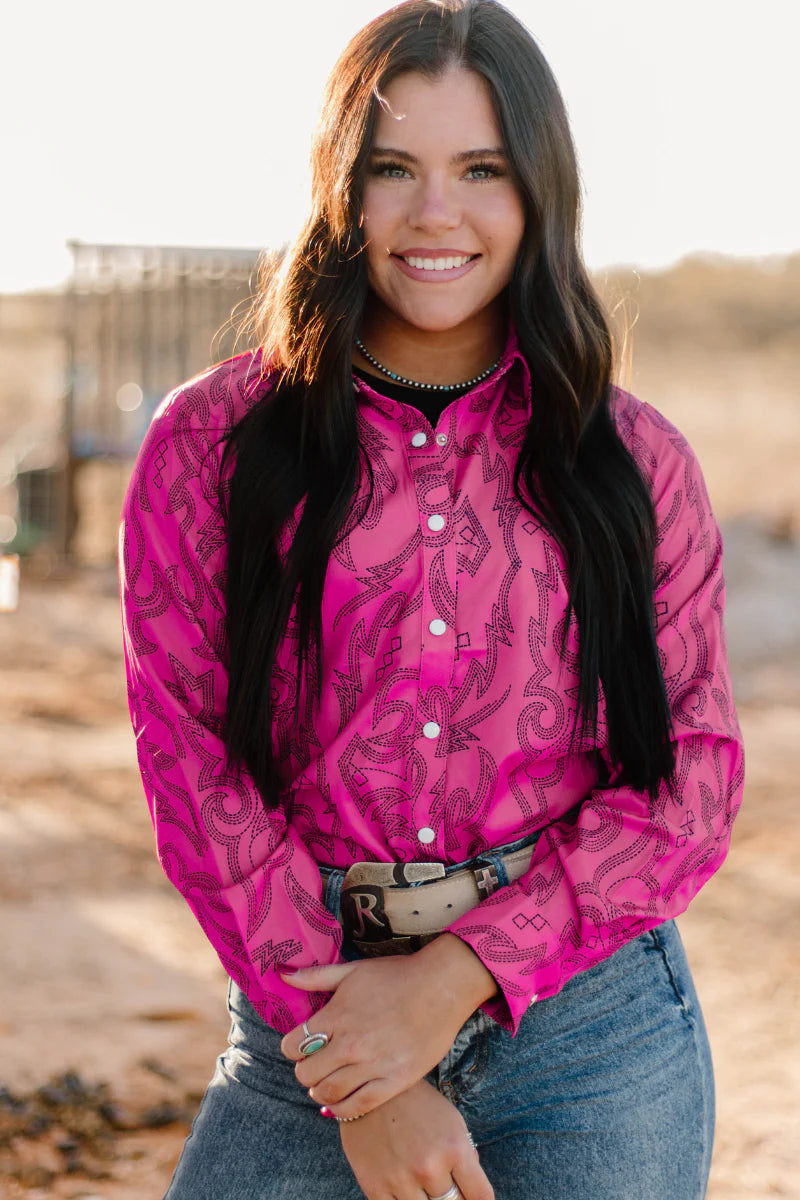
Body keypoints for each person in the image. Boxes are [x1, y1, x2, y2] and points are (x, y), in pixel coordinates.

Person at [118, 2, 745, 1197]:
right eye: (392, 168)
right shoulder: (208, 445)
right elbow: (194, 766)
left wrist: (453, 978)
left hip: (586, 1035)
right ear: (337, 186)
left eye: (480, 170)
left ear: (538, 191)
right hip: (308, 1017)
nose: (433, 213)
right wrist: (367, 1071)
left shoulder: (634, 462)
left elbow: (691, 780)